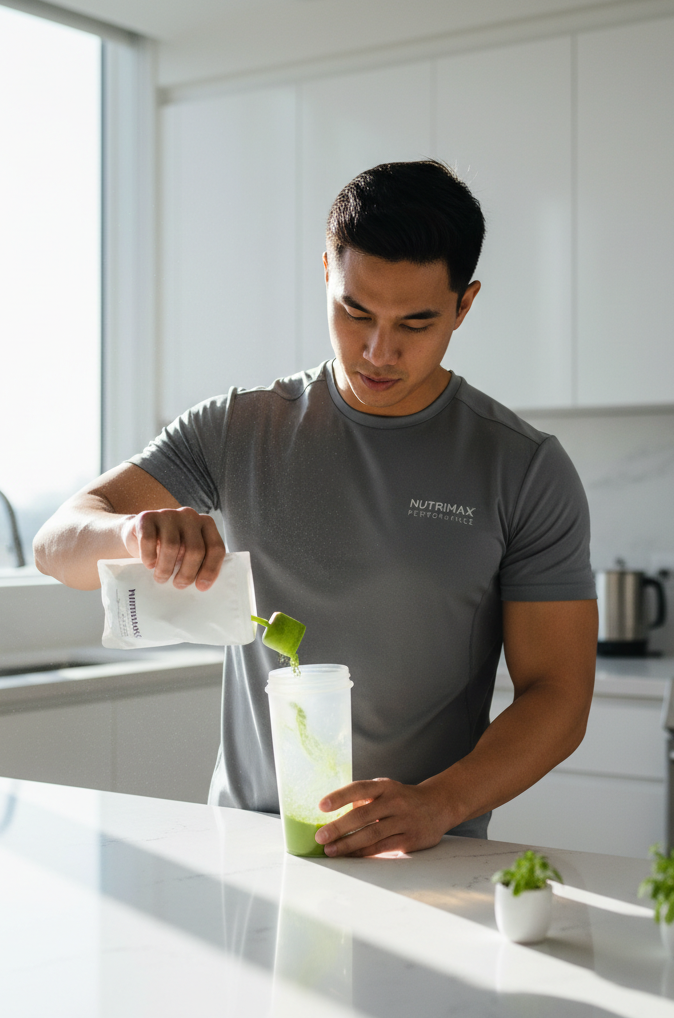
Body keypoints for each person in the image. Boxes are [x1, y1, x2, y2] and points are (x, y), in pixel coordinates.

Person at [34, 160, 598, 858]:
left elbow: (559, 695)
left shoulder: (523, 468)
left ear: (465, 304)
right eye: (354, 311)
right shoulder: (239, 430)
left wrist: (439, 803)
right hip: (245, 851)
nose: (377, 351)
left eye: (415, 323)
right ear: (324, 274)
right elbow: (56, 545)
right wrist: (131, 530)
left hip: (424, 858)